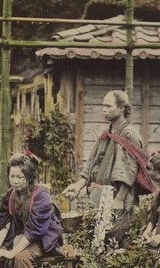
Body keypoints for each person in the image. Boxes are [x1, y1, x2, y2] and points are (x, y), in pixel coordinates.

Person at [62, 90, 147, 246]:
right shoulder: (107, 134)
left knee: (116, 243)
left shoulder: (129, 134)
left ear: (121, 108)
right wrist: (78, 185)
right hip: (99, 195)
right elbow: (93, 162)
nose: (104, 109)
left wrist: (119, 199)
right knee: (97, 244)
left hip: (117, 199)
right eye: (103, 106)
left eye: (108, 106)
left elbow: (129, 169)